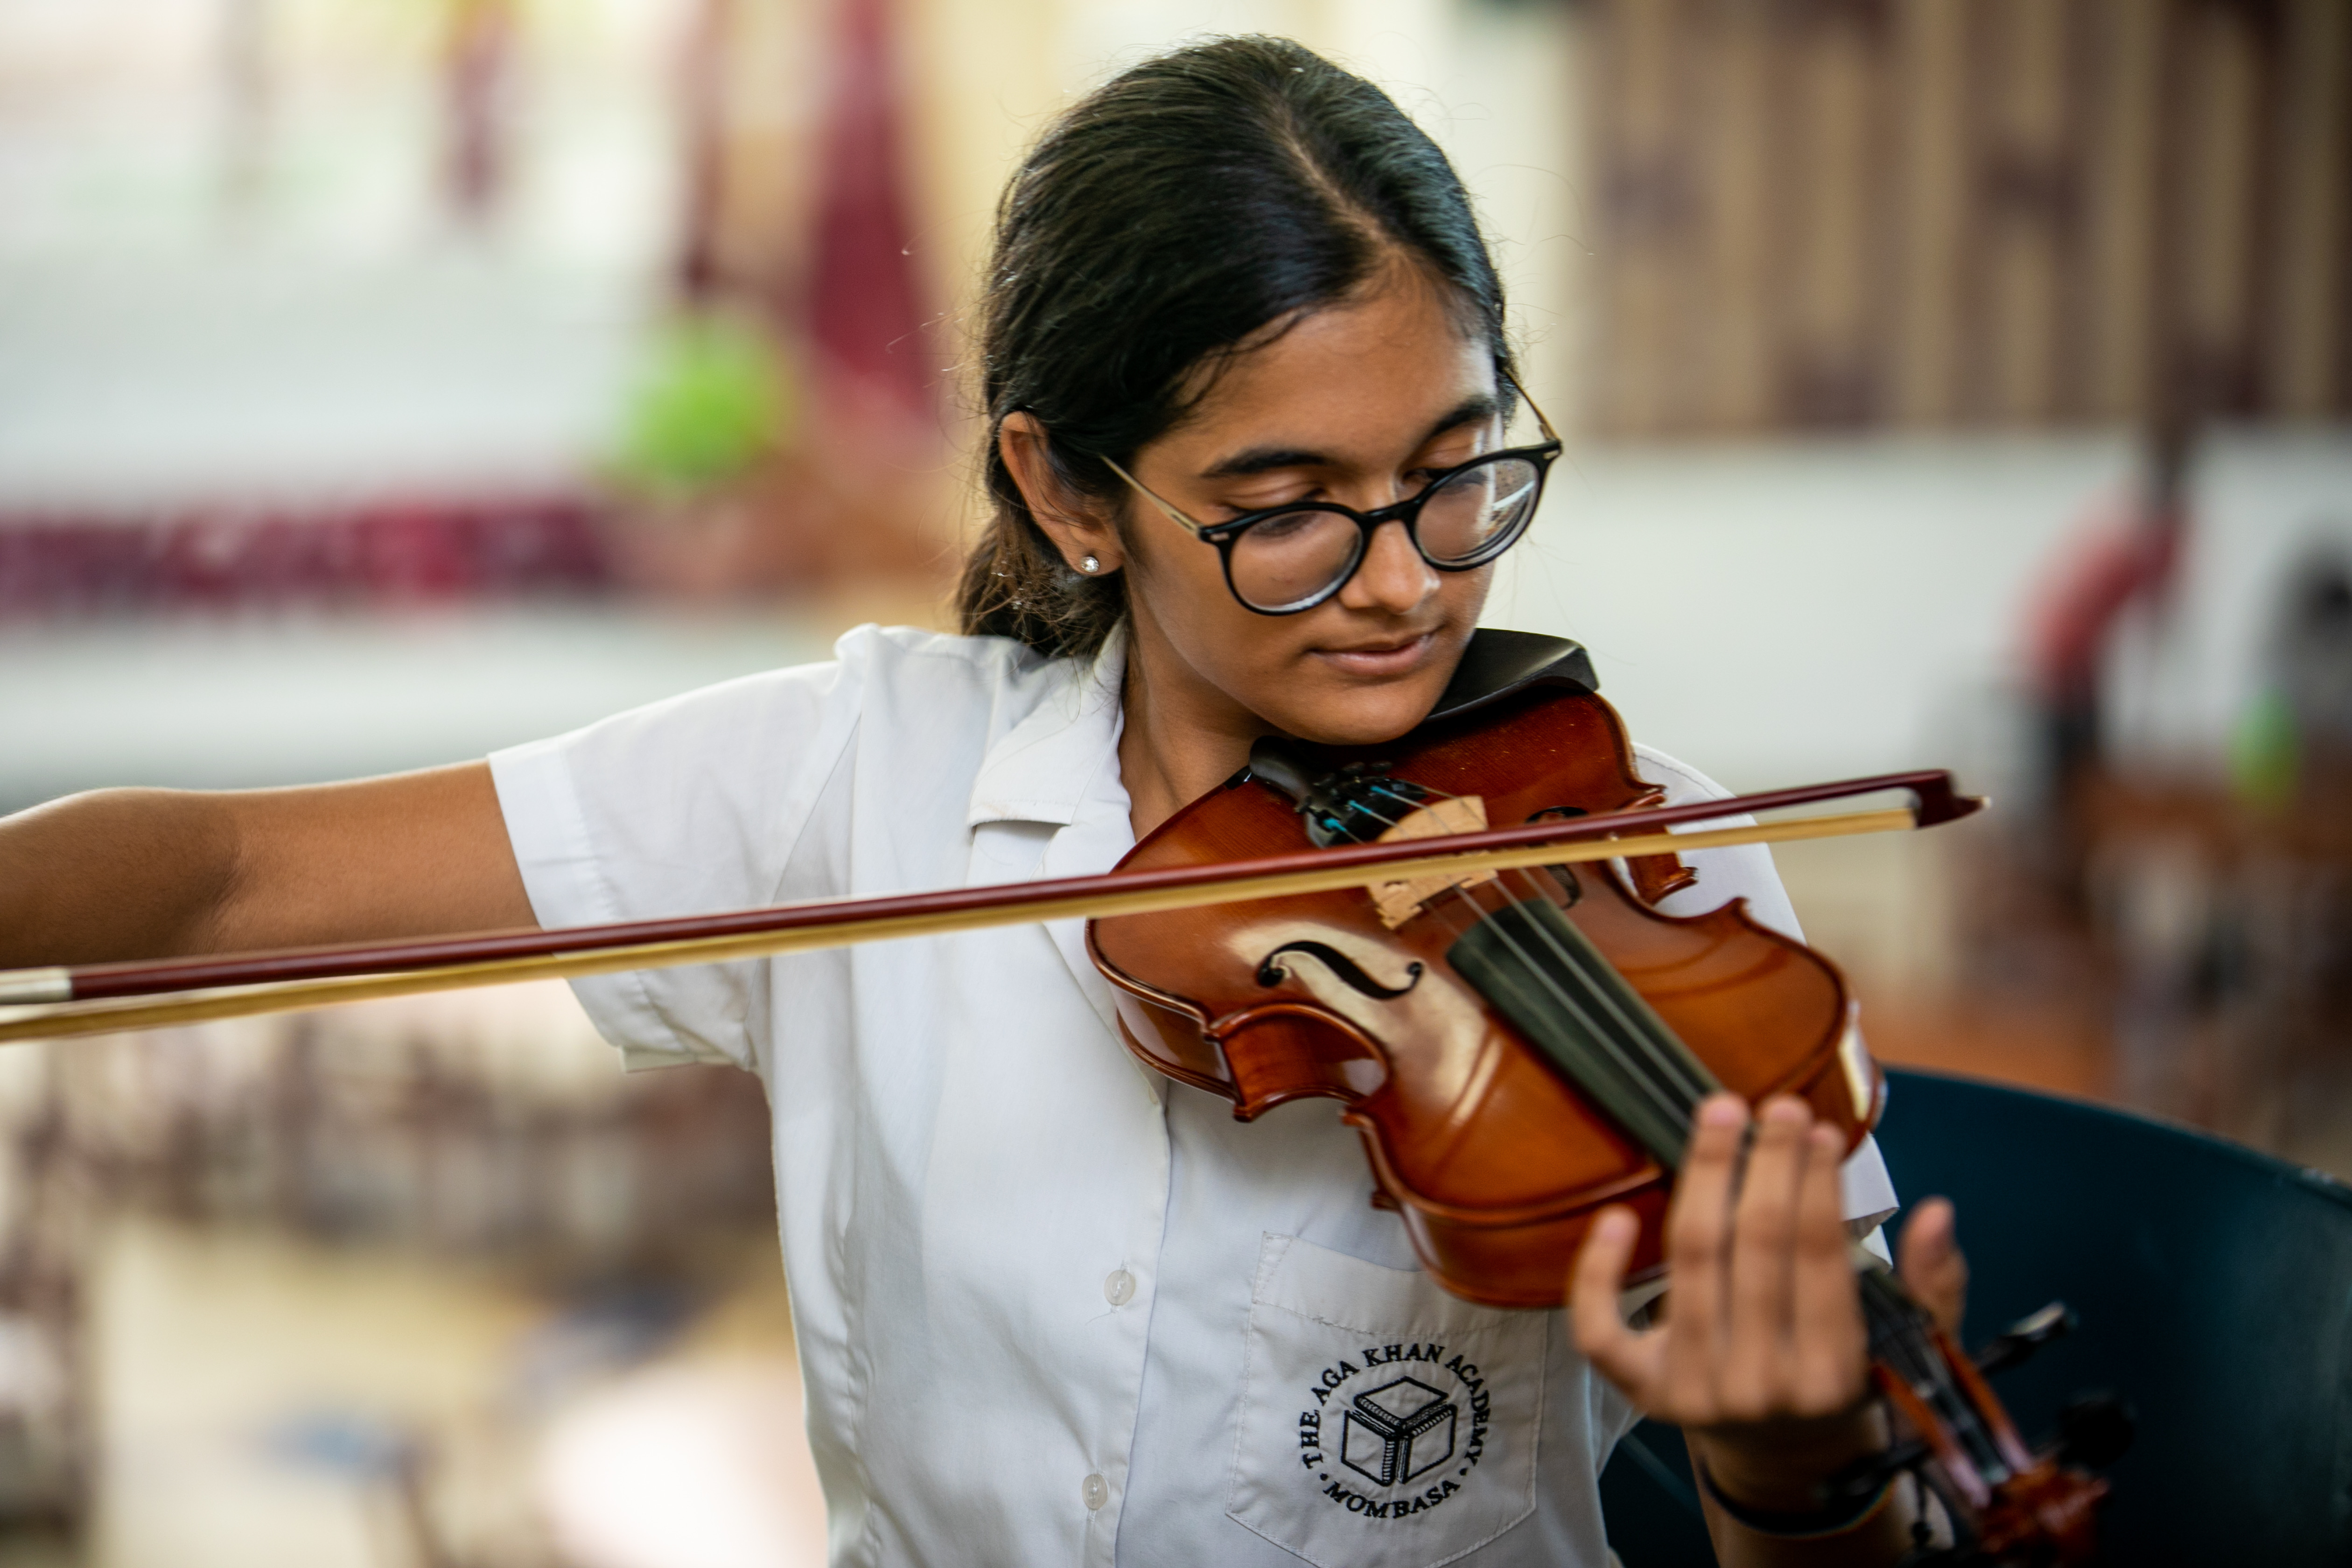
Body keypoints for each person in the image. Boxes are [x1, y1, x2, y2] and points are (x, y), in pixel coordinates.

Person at [0, 36, 1967, 1568]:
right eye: (1286, 511)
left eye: (1459, 472)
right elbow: (221, 874)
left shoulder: (1649, 862)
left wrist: (1794, 1477)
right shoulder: (862, 783)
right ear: (1066, 491)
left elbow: (1850, 1541)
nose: (1405, 578)